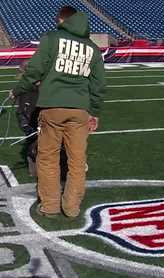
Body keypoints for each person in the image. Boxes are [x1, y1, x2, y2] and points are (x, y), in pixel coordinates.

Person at [11, 6, 106, 218]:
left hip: (52, 107)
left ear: (63, 20)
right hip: (80, 110)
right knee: (77, 161)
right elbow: (99, 85)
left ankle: (50, 206)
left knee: (47, 158)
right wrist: (95, 111)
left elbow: (34, 70)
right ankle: (72, 208)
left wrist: (18, 90)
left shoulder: (52, 38)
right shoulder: (92, 48)